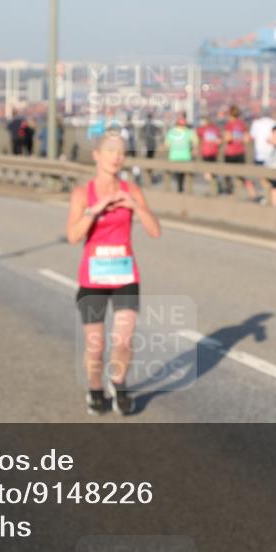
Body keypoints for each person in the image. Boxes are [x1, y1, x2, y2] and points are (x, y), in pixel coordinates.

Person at [66, 130, 161, 416]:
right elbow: (72, 236)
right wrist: (93, 211)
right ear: (97, 155)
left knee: (123, 340)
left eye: (120, 151)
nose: (116, 157)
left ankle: (118, 383)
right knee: (95, 347)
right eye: (110, 150)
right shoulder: (83, 193)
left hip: (124, 276)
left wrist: (136, 207)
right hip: (93, 279)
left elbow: (154, 231)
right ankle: (95, 389)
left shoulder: (131, 190)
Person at [222, 105, 254, 198]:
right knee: (242, 175)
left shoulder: (229, 124)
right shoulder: (242, 124)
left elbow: (227, 139)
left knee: (227, 175)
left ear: (230, 114)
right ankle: (251, 192)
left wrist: (226, 138)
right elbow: (247, 139)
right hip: (241, 152)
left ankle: (230, 195)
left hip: (230, 153)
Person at [162, 113, 198, 193]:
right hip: (186, 157)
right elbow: (196, 142)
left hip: (174, 157)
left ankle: (178, 189)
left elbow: (166, 145)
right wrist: (193, 150)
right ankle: (184, 190)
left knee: (177, 175)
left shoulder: (171, 132)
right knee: (185, 176)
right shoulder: (189, 132)